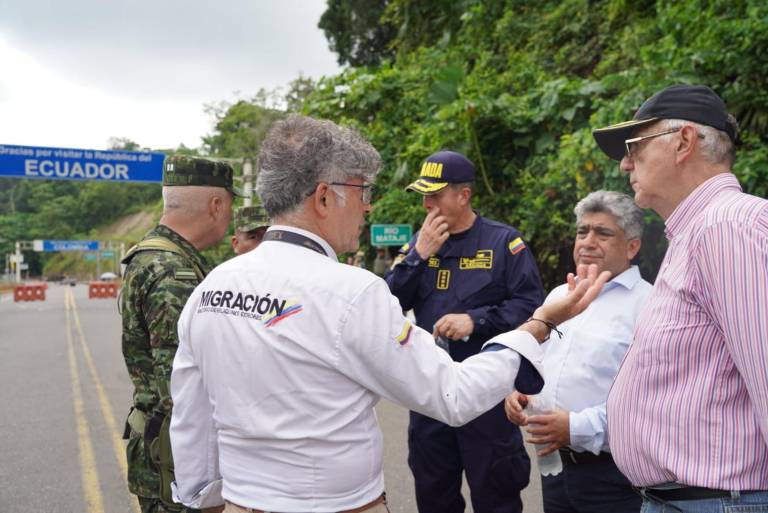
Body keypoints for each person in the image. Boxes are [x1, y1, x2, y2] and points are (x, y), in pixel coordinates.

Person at [169, 114, 611, 513]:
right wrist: (541, 324)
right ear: (323, 197)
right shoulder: (351, 290)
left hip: (244, 501)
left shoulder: (212, 287)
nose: (369, 207)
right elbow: (453, 395)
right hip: (343, 498)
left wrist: (205, 501)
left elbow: (191, 418)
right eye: (363, 192)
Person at [593, 84, 768, 512]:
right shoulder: (698, 232)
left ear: (684, 142)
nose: (624, 163)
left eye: (634, 146)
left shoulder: (727, 226)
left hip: (721, 502)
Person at [385, 150, 544, 513]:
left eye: (435, 194)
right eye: (423, 196)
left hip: (487, 395)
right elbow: (386, 301)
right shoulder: (419, 242)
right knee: (434, 492)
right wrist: (418, 256)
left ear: (464, 195)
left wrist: (476, 321)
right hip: (430, 393)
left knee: (496, 494)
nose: (426, 204)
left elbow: (530, 305)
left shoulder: (504, 243)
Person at [505, 190, 652, 513]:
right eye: (582, 231)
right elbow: (543, 362)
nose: (587, 241)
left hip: (616, 477)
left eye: (603, 233)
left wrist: (576, 427)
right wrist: (522, 393)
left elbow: (651, 403)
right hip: (555, 467)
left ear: (632, 246)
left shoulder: (649, 306)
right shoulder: (560, 295)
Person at [120, 155, 238, 513]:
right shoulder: (174, 273)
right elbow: (182, 389)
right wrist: (205, 486)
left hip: (163, 453)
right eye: (231, 206)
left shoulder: (155, 255)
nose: (231, 216)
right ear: (216, 205)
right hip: (177, 467)